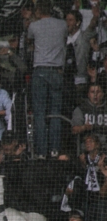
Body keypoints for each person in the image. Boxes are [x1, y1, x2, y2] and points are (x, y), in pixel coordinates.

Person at [28, 0, 67, 159]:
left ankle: (41, 152)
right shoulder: (62, 24)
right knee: (55, 112)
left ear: (38, 11)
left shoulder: (34, 26)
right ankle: (55, 149)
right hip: (57, 71)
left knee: (39, 113)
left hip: (40, 70)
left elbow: (30, 42)